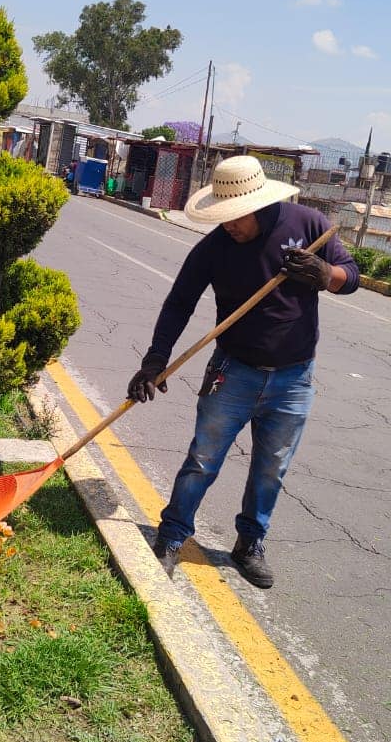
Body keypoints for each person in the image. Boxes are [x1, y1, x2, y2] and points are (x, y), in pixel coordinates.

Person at [127, 155, 359, 588]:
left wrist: (325, 273)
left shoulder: (310, 225)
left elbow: (353, 277)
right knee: (202, 460)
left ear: (260, 204)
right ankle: (172, 536)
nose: (228, 224)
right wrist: (155, 360)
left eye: (234, 216)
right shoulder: (214, 247)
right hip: (233, 373)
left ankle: (249, 543)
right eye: (222, 215)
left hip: (294, 379)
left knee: (271, 468)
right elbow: (179, 302)